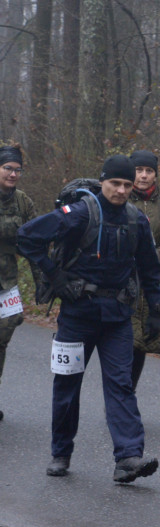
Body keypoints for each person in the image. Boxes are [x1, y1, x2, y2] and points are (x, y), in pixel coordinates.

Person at [18, 155, 160, 482]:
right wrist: (54, 277)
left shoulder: (136, 221)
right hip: (77, 314)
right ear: (103, 182)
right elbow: (27, 236)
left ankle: (128, 458)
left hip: (117, 318)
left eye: (128, 185)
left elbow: (152, 271)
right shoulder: (80, 213)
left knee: (121, 385)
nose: (122, 190)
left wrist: (156, 310)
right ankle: (60, 452)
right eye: (116, 183)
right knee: (68, 384)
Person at [128, 150, 160, 390]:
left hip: (150, 285)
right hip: (122, 282)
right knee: (122, 341)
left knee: (142, 343)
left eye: (149, 171)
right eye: (139, 170)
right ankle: (119, 396)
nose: (144, 175)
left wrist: (150, 261)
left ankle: (129, 393)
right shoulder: (120, 198)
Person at [0, 144, 42, 421]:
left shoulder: (23, 202)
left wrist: (44, 282)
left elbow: (37, 242)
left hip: (7, 281)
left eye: (17, 170)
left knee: (4, 333)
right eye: (7, 168)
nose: (13, 174)